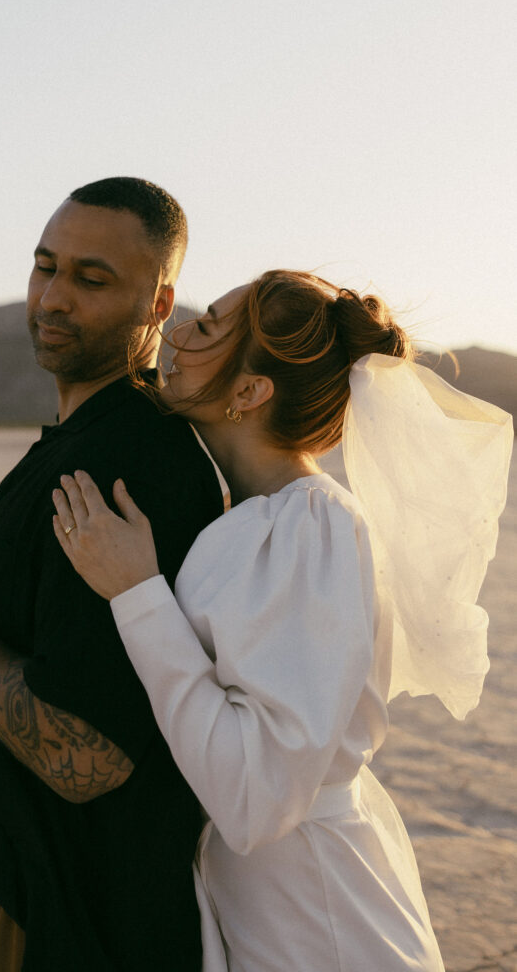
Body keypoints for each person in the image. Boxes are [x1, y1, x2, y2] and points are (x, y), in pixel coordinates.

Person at [51, 270, 513, 972]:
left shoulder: (310, 528)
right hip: (271, 901)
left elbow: (254, 796)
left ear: (248, 391)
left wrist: (137, 593)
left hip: (317, 922)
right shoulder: (257, 518)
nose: (175, 334)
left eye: (206, 330)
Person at [0, 177, 225, 972]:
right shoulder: (83, 440)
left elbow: (88, 754)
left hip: (69, 915)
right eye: (45, 266)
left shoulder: (127, 465)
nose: (52, 297)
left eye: (91, 279)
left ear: (158, 304)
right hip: (27, 886)